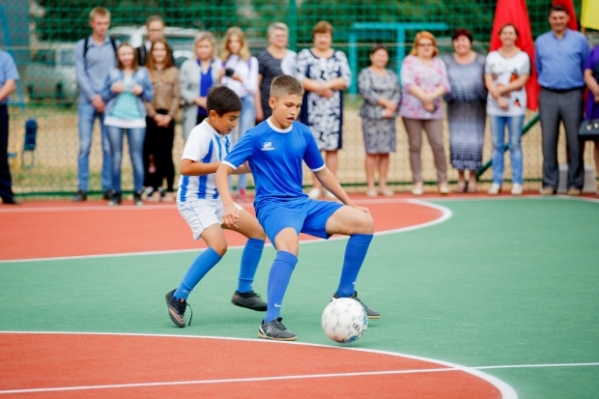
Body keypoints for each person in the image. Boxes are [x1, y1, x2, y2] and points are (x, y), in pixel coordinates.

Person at [215, 75, 379, 341]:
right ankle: (269, 322)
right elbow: (223, 170)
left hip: (302, 203)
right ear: (272, 103)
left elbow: (322, 172)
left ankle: (345, 294)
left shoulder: (303, 133)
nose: (293, 111)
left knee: (364, 223)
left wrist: (351, 204)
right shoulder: (255, 135)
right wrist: (226, 206)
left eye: (297, 106)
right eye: (288, 105)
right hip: (272, 206)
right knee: (290, 245)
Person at [165, 85, 267, 328]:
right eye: (231, 119)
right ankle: (178, 296)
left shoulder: (224, 134)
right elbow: (186, 167)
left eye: (236, 119)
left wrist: (256, 165)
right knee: (219, 246)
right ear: (213, 115)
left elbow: (230, 166)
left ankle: (243, 291)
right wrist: (221, 165)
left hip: (216, 199)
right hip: (195, 200)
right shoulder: (201, 134)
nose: (234, 124)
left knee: (258, 233)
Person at [536, 4, 589, 196]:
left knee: (575, 141)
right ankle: (549, 183)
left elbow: (585, 65)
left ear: (567, 19)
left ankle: (575, 184)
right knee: (548, 141)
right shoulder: (541, 41)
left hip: (573, 94)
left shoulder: (580, 40)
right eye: (554, 18)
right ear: (549, 20)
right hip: (548, 94)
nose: (558, 21)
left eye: (561, 17)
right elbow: (538, 67)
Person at [296, 21, 351, 199]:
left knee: (332, 147)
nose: (323, 39)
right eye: (320, 35)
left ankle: (330, 187)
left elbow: (346, 79)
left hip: (333, 110)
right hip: (312, 110)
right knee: (314, 148)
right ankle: (316, 185)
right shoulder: (305, 55)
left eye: (326, 36)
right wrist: (320, 88)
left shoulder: (339, 56)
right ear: (314, 37)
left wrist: (327, 85)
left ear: (330, 37)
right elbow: (299, 78)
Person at [73, 7, 117, 202]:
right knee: (85, 145)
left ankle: (107, 188)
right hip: (87, 102)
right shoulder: (81, 46)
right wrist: (94, 97)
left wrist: (105, 97)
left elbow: (117, 74)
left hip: (109, 103)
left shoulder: (115, 45)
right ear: (92, 23)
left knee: (108, 146)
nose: (102, 27)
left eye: (105, 23)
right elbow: (80, 75)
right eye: (99, 23)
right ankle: (82, 188)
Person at [101, 43, 153, 206]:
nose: (126, 57)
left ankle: (138, 193)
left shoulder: (143, 72)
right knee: (116, 157)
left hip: (136, 119)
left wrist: (141, 91)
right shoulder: (112, 72)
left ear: (134, 55)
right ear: (118, 56)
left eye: (129, 54)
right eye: (123, 54)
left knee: (137, 157)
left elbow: (150, 96)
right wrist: (111, 90)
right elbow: (103, 95)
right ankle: (116, 193)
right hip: (114, 119)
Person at [400, 31, 451, 195]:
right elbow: (408, 83)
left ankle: (442, 181)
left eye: (429, 44)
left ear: (433, 46)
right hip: (412, 111)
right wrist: (424, 97)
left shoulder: (439, 63)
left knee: (438, 145)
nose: (426, 48)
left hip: (433, 112)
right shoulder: (409, 61)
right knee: (415, 146)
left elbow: (445, 84)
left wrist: (430, 98)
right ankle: (418, 182)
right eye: (422, 44)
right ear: (417, 47)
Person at [485, 24, 530, 196]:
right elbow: (488, 80)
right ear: (500, 36)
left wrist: (501, 91)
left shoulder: (523, 57)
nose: (508, 36)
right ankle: (496, 181)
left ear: (516, 36)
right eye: (505, 33)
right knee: (497, 144)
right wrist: (497, 97)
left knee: (515, 144)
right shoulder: (492, 56)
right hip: (495, 107)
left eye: (511, 33)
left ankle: (517, 182)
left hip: (515, 107)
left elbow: (522, 81)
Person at [442, 28, 487, 193]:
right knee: (458, 142)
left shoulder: (482, 61)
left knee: (475, 142)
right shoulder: (446, 61)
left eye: (464, 40)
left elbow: (487, 81)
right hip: (456, 107)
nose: (460, 44)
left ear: (470, 42)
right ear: (453, 43)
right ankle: (460, 179)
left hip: (476, 107)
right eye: (457, 40)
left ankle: (473, 179)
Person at [220, 27, 259, 202]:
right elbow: (220, 86)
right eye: (231, 41)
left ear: (242, 43)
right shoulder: (223, 61)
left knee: (244, 144)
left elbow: (252, 87)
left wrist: (239, 79)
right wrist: (222, 75)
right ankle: (226, 187)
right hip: (229, 104)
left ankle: (241, 187)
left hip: (246, 104)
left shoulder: (250, 61)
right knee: (228, 144)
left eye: (237, 41)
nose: (234, 44)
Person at [357, 44, 400, 197]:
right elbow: (365, 91)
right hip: (371, 117)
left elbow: (397, 92)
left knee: (385, 152)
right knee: (372, 152)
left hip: (388, 118)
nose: (381, 58)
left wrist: (391, 107)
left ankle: (383, 184)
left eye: (384, 55)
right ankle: (370, 186)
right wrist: (385, 103)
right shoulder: (365, 73)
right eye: (378, 55)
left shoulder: (392, 75)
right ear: (371, 56)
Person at [143, 38, 180, 202]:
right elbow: (145, 97)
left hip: (168, 117)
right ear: (152, 53)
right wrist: (154, 114)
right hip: (152, 117)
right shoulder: (145, 72)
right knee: (154, 154)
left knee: (167, 153)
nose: (159, 53)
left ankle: (170, 189)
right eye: (156, 50)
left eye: (162, 50)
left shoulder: (173, 71)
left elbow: (176, 97)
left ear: (167, 52)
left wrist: (169, 116)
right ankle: (156, 188)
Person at [180, 32, 222, 141]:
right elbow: (181, 88)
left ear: (212, 47)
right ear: (196, 48)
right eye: (200, 47)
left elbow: (224, 88)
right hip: (193, 112)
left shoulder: (220, 64)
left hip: (213, 113)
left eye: (206, 46)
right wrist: (197, 99)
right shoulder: (188, 65)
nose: (203, 50)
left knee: (212, 145)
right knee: (193, 145)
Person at [255, 22, 297, 122]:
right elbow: (256, 85)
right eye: (277, 35)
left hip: (288, 106)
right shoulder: (262, 57)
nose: (281, 38)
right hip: (267, 106)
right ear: (270, 38)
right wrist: (257, 109)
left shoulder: (293, 57)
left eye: (283, 35)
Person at [0, 49, 19, 205]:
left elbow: (10, 84)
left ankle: (6, 192)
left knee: (1, 150)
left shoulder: (5, 58)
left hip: (0, 108)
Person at [584, 43, 599, 193]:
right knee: (598, 142)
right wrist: (596, 90)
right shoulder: (594, 50)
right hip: (596, 101)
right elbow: (587, 74)